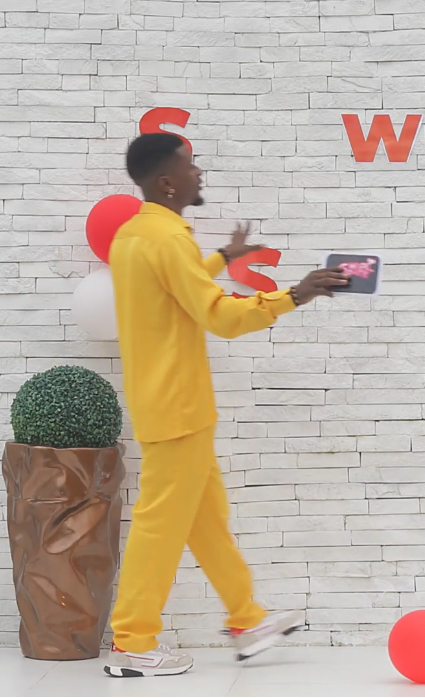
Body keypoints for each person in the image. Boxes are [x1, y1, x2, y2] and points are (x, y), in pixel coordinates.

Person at [104, 133, 348, 678]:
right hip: (179, 408)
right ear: (166, 182)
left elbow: (173, 285)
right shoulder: (169, 239)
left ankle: (246, 620)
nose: (198, 172)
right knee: (159, 527)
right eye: (189, 165)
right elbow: (218, 316)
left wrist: (222, 257)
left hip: (165, 405)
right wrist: (296, 294)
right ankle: (132, 642)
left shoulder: (135, 235)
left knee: (206, 522)